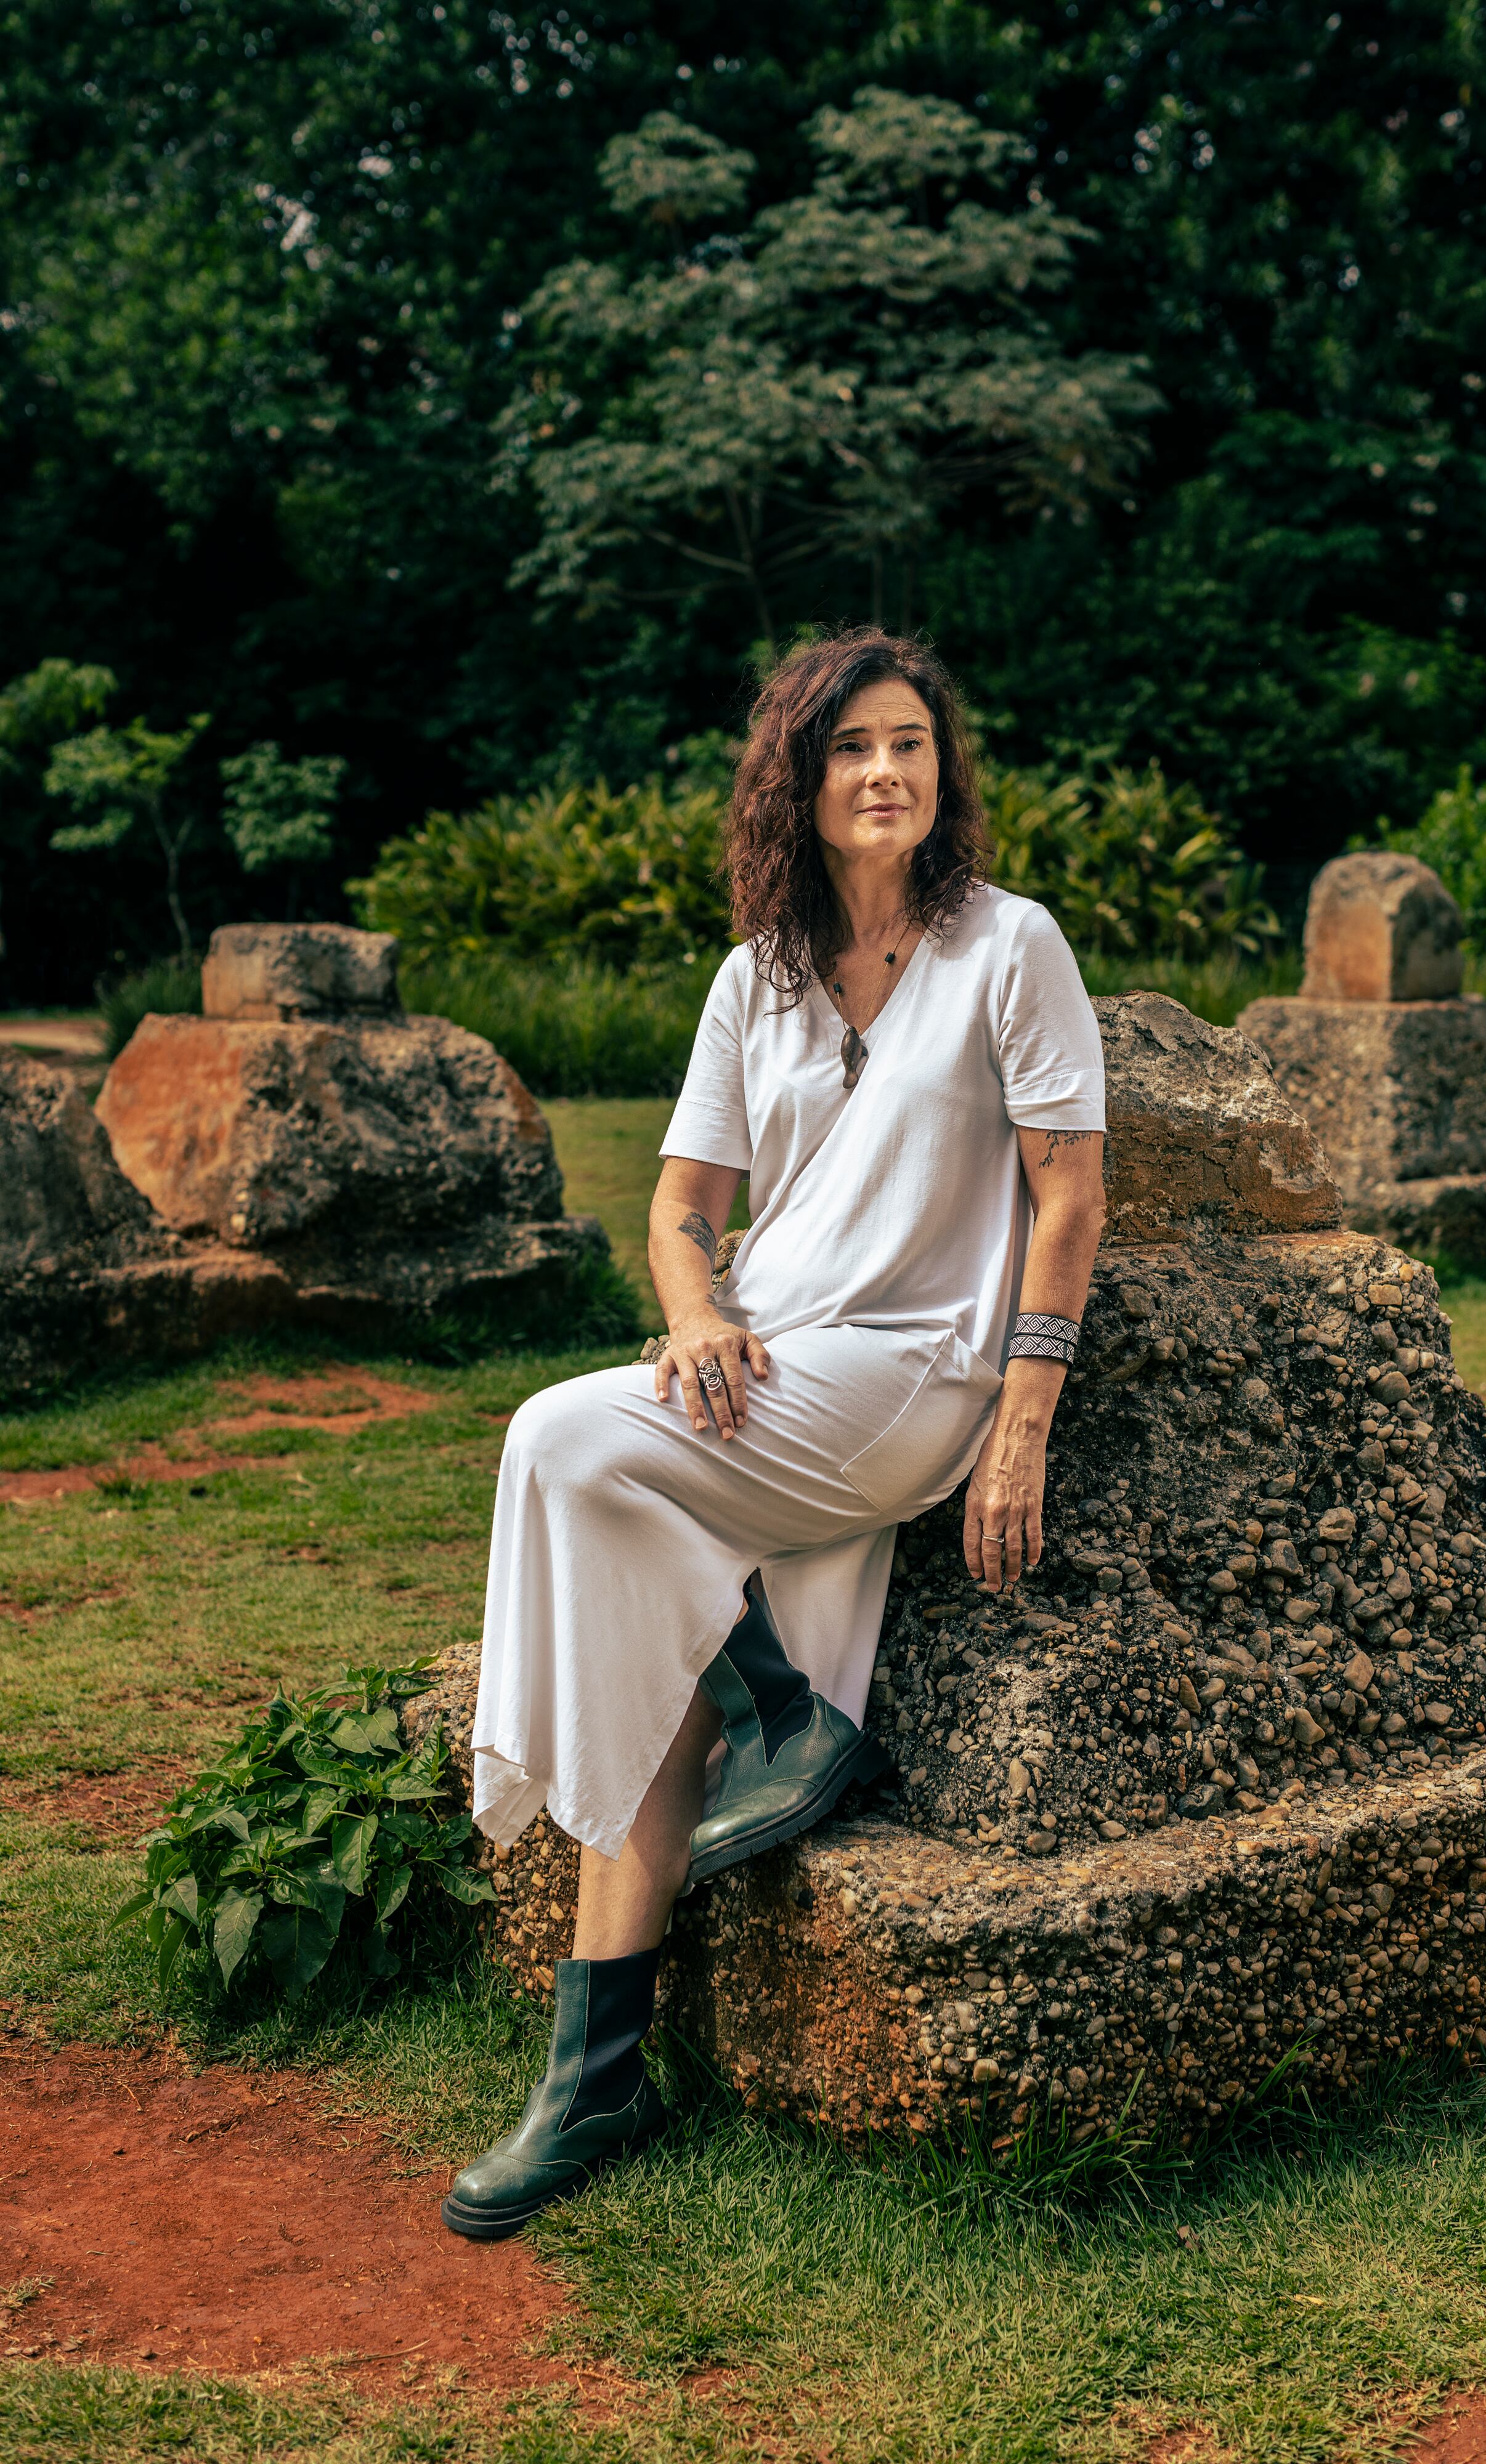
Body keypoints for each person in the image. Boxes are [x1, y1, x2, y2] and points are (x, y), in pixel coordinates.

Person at [441, 630, 1107, 2240]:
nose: (885, 774)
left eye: (909, 747)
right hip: (762, 1364)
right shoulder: (758, 973)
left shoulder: (1009, 947)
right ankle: (595, 2067)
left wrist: (1021, 1420)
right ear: (799, 783)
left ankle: (789, 1709)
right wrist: (690, 1316)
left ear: (939, 777)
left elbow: (1069, 1189)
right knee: (625, 1591)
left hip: (912, 1376)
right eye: (851, 750)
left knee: (558, 1440)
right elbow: (680, 1211)